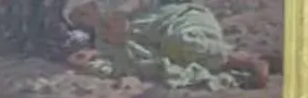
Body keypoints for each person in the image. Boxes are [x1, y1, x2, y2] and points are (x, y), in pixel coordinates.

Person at [61, 0, 269, 90]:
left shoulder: (123, 8)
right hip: (167, 50)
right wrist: (90, 61)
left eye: (83, 12)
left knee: (182, 42)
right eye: (79, 20)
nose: (85, 19)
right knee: (174, 62)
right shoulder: (102, 39)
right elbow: (124, 63)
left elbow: (137, 13)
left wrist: (123, 18)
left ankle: (248, 61)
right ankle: (239, 66)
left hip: (181, 20)